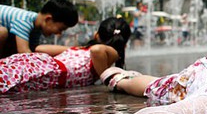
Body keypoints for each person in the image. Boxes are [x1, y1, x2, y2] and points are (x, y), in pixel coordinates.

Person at [0, 17, 131, 92]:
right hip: (51, 71)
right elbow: (96, 50)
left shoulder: (78, 50)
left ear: (96, 35)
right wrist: (107, 80)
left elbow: (40, 48)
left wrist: (73, 51)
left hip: (41, 64)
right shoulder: (112, 53)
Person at [0, 0, 78, 58]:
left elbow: (33, 50)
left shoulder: (35, 26)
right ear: (48, 19)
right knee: (2, 32)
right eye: (60, 29)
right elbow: (24, 53)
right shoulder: (24, 20)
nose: (59, 34)